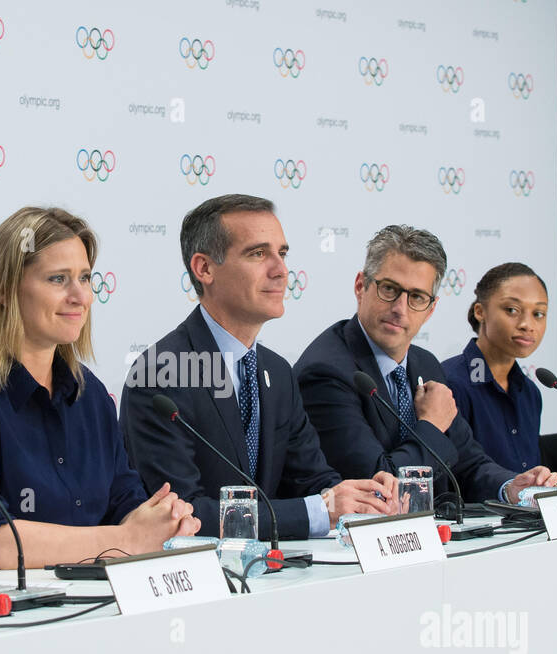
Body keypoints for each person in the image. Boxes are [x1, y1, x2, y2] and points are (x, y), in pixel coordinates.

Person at [0, 207, 199, 575]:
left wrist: (164, 522)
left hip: (79, 607)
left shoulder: (90, 396)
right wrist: (128, 541)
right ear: (3, 290)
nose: (80, 296)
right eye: (58, 279)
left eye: (85, 278)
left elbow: (125, 504)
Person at [120, 194, 395, 539]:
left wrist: (362, 497)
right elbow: (180, 512)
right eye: (258, 254)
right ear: (204, 268)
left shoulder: (277, 371)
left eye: (282, 253)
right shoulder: (162, 373)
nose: (280, 270)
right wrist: (320, 510)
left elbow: (312, 479)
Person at [295, 226, 557, 506]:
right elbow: (377, 488)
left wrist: (509, 487)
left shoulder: (424, 362)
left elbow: (468, 462)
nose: (400, 308)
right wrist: (431, 424)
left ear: (431, 309)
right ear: (361, 286)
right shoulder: (325, 372)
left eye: (417, 297)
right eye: (389, 289)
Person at [441, 263, 548, 474]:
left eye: (538, 313)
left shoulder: (530, 392)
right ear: (480, 311)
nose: (527, 324)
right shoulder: (450, 384)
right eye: (512, 310)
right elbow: (455, 477)